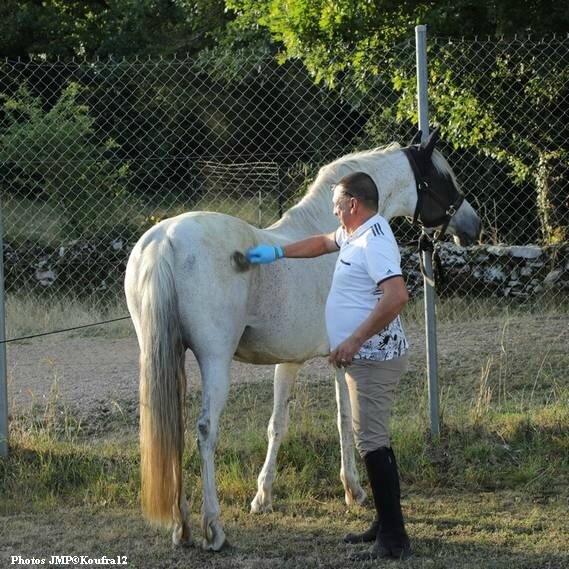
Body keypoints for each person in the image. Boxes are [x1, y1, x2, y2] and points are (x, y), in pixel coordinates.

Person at [246, 171, 412, 561]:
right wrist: (277, 252)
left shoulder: (374, 241)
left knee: (371, 444)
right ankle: (386, 523)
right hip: (365, 357)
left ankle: (395, 540)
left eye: (336, 204)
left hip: (373, 358)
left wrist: (353, 340)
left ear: (353, 204)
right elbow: (322, 242)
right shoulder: (356, 232)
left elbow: (397, 296)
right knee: (375, 441)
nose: (333, 210)